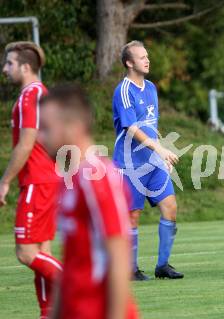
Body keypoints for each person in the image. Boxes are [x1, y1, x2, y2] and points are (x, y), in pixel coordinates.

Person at [40, 84, 138, 319]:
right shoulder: (70, 179)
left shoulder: (99, 177)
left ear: (73, 127)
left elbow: (118, 258)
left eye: (45, 128)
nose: (39, 137)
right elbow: (72, 262)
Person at [0, 41, 62, 318]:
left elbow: (25, 144)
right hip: (44, 181)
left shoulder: (31, 96)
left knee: (26, 253)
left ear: (25, 67)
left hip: (38, 182)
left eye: (9, 63)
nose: (4, 69)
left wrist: (4, 181)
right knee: (41, 250)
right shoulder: (39, 94)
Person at [112, 40, 183, 280]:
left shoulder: (151, 87)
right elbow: (131, 127)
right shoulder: (123, 90)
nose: (147, 60)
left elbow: (150, 125)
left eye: (147, 56)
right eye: (141, 57)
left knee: (170, 208)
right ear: (129, 62)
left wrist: (159, 153)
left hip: (153, 162)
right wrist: (160, 149)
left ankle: (162, 266)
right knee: (132, 216)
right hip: (129, 164)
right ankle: (130, 269)